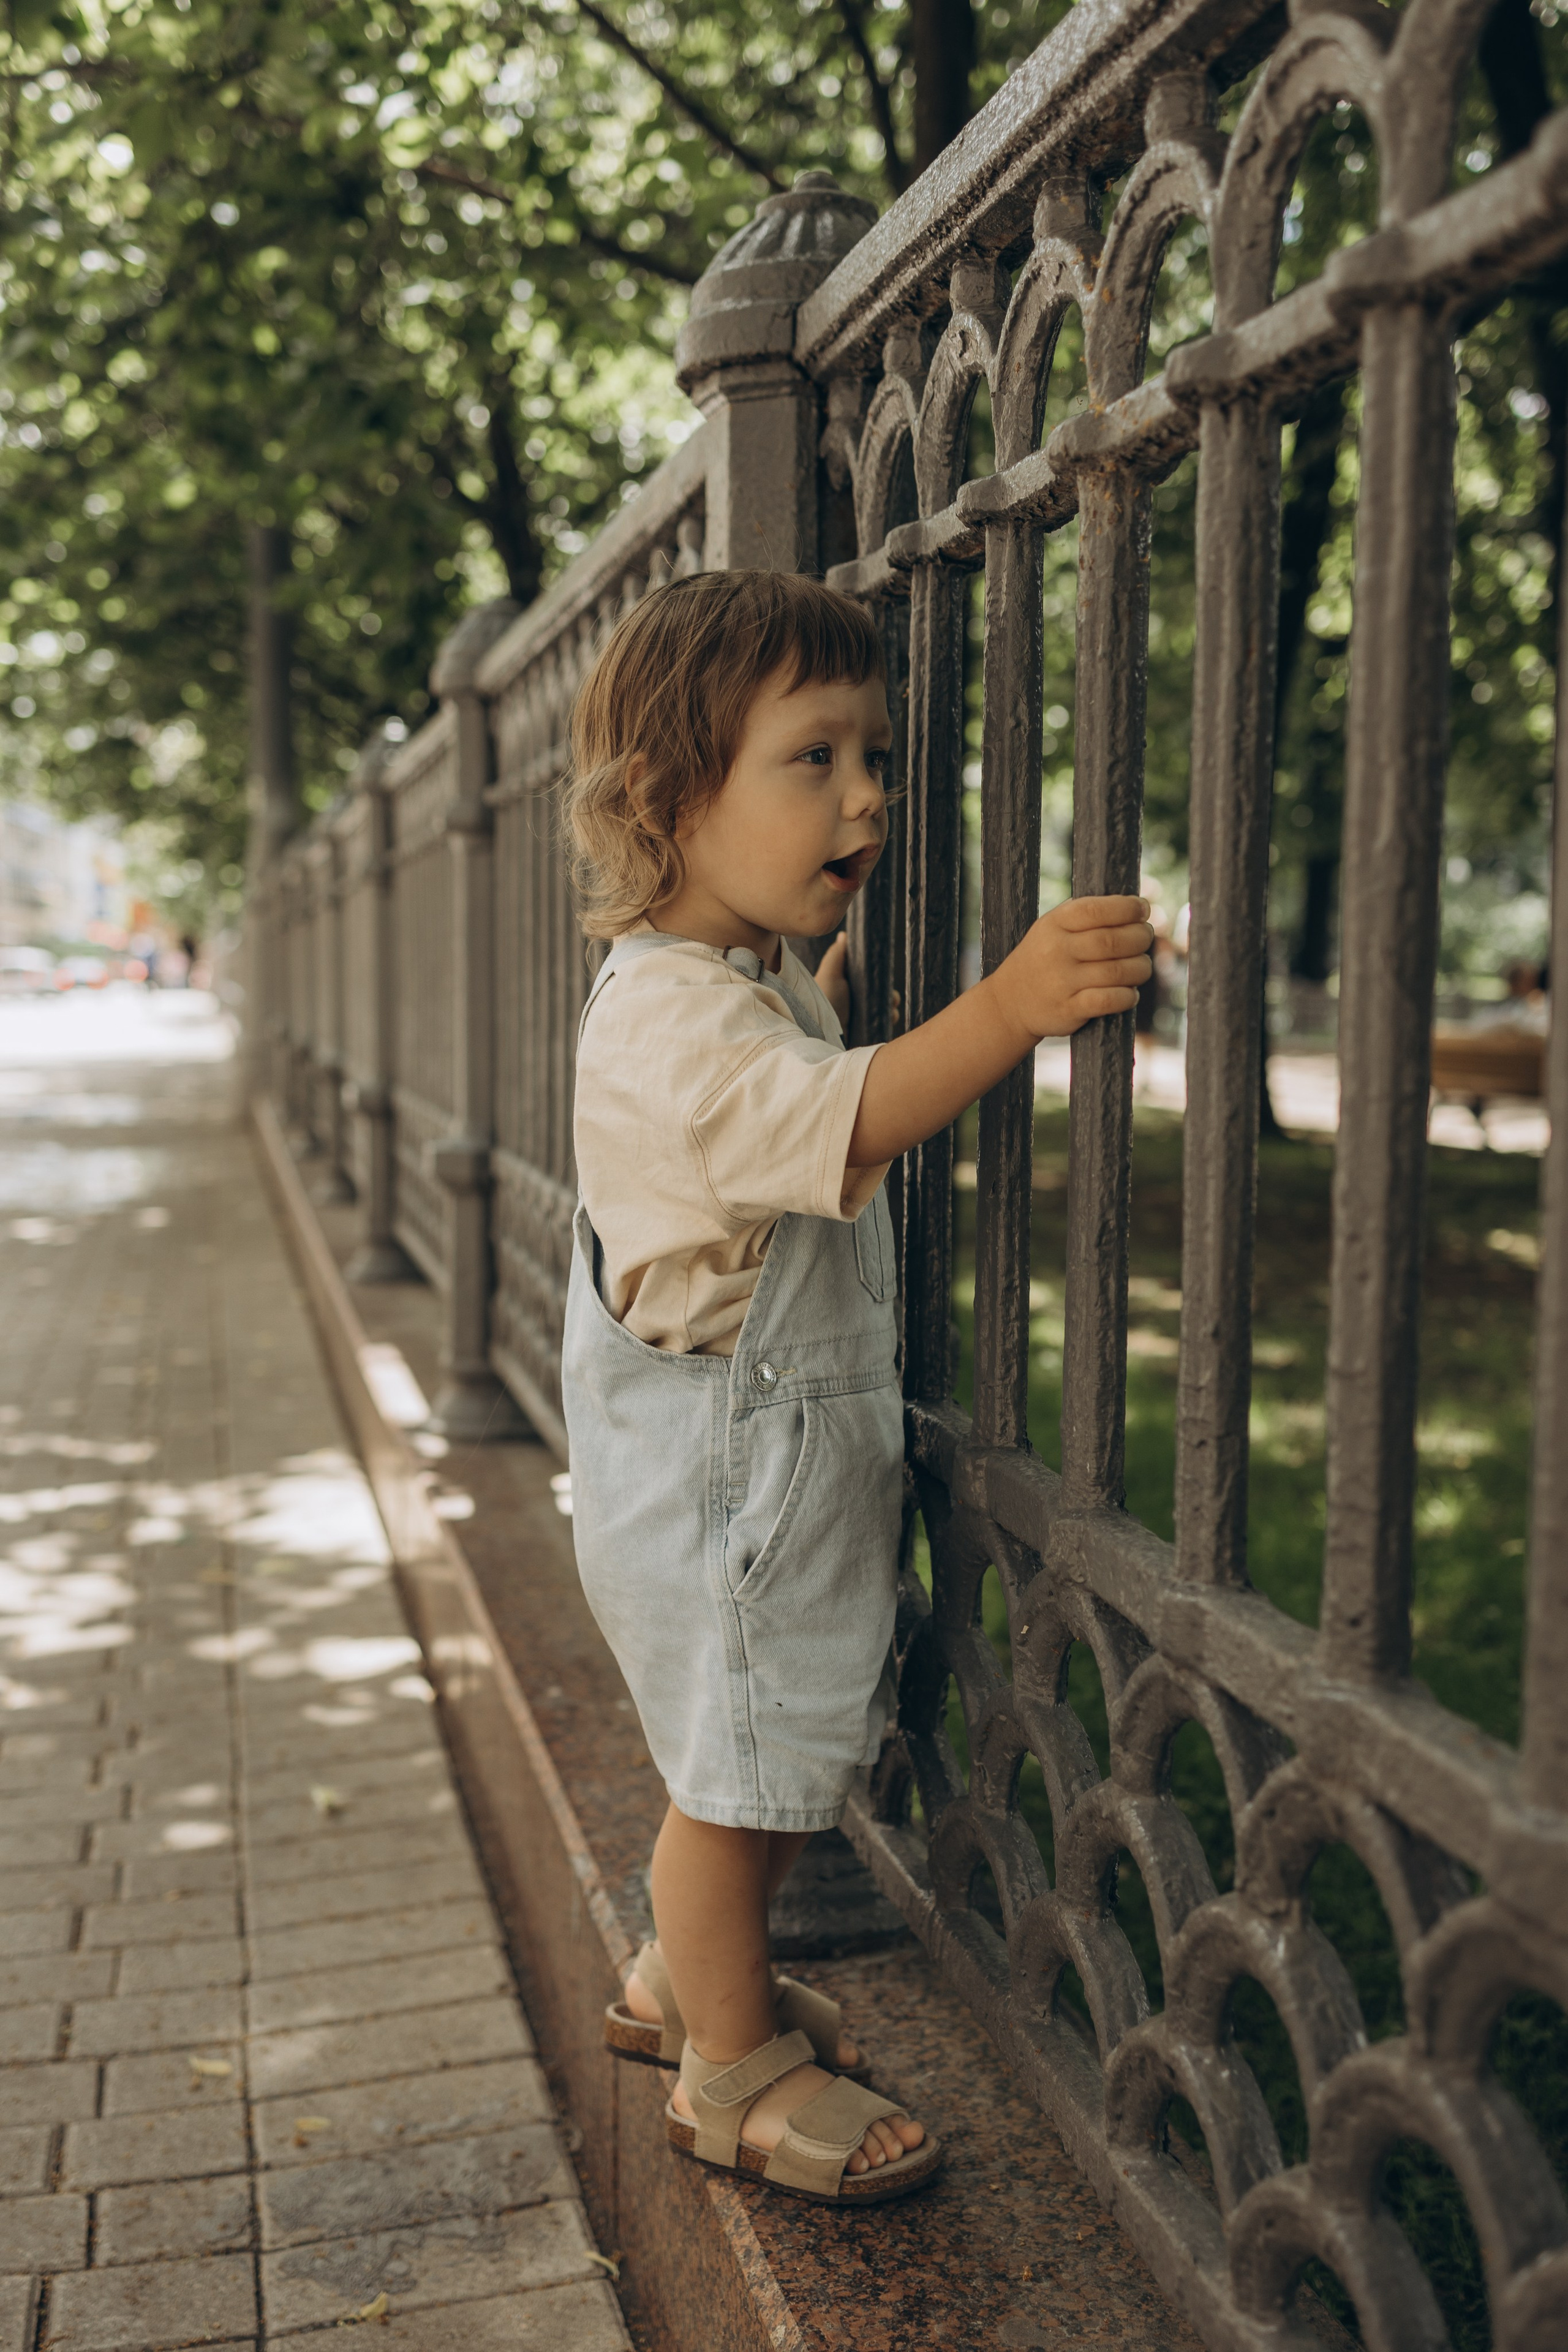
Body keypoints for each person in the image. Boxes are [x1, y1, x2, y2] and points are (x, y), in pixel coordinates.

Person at [560, 568, 1152, 2208]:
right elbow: (850, 1114)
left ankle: (687, 1981)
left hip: (735, 1479)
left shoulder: (721, 981)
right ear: (672, 805)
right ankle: (730, 2074)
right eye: (812, 758)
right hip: (726, 1503)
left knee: (743, 1760)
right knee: (736, 1782)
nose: (870, 792)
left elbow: (804, 1080)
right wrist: (1016, 1003)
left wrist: (834, 975)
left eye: (873, 755)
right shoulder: (678, 1030)